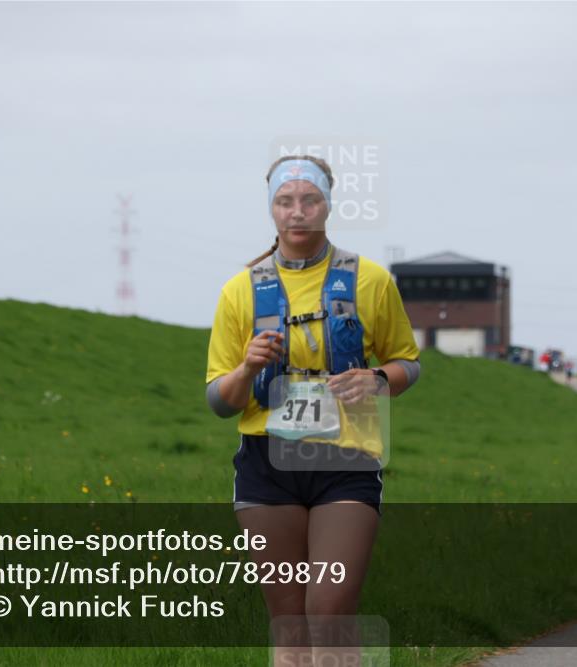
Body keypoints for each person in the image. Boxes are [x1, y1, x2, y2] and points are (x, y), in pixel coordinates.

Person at [205, 155, 420, 665]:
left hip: (346, 462)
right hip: (266, 465)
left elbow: (408, 363)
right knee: (290, 625)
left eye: (309, 200)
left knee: (329, 611)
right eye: (285, 201)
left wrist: (377, 378)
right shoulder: (240, 290)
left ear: (328, 205)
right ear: (272, 209)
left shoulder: (369, 280)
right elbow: (219, 400)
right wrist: (245, 368)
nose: (297, 212)